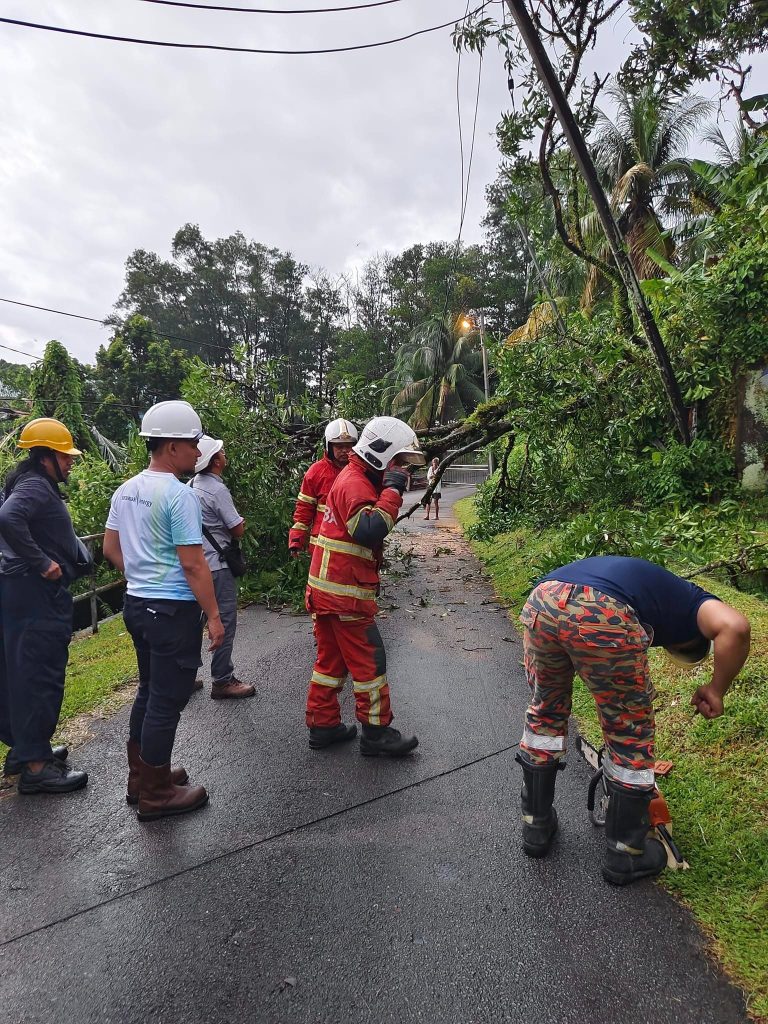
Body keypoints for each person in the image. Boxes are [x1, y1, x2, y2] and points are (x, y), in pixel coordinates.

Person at [515, 555, 751, 885]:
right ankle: (625, 854)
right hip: (602, 609)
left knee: (546, 714)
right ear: (694, 637)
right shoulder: (700, 606)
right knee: (629, 732)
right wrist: (716, 689)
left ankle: (536, 826)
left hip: (544, 598)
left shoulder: (664, 590)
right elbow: (737, 627)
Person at [103, 401, 224, 821]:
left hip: (137, 605)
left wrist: (141, 576)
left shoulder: (126, 490)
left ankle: (142, 777)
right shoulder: (178, 495)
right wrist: (213, 615)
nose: (197, 452)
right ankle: (156, 794)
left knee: (148, 690)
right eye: (192, 444)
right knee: (166, 700)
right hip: (171, 611)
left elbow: (110, 549)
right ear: (172, 446)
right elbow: (193, 564)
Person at [305, 415, 424, 757]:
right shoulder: (355, 482)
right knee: (370, 662)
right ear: (381, 454)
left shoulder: (351, 477)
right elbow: (368, 529)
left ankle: (323, 724)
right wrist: (392, 491)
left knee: (330, 662)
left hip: (329, 591)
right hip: (344, 596)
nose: (401, 467)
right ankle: (376, 733)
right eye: (398, 460)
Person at [0, 418, 91, 794]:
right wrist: (43, 563)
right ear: (45, 457)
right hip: (36, 595)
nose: (70, 462)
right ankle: (37, 767)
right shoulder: (36, 486)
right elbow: (7, 518)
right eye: (64, 456)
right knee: (39, 674)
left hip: (22, 594)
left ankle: (26, 750)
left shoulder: (25, 482)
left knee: (19, 671)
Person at [189, 436, 254, 699]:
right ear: (215, 461)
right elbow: (236, 528)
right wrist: (241, 523)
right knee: (223, 620)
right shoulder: (216, 490)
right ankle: (222, 680)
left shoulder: (191, 485)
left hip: (195, 563)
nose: (225, 454)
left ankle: (186, 676)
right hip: (217, 566)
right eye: (222, 452)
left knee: (194, 621)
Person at [288, 419, 358, 558]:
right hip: (322, 547)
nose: (344, 451)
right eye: (339, 446)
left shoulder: (362, 471)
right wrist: (296, 540)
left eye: (348, 446)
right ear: (328, 446)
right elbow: (304, 509)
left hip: (353, 546)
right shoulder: (316, 472)